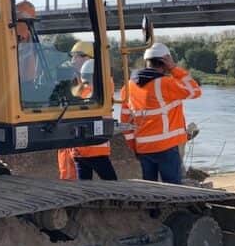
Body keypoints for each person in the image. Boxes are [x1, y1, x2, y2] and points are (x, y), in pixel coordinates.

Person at [120, 42, 201, 184]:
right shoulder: (166, 83)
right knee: (173, 188)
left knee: (151, 189)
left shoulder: (128, 87)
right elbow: (195, 91)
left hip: (143, 148)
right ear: (165, 61)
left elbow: (126, 123)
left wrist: (135, 147)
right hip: (167, 147)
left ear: (147, 61)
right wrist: (174, 68)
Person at [70, 59, 117, 180]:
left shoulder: (78, 93)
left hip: (79, 151)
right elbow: (110, 84)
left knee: (84, 187)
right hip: (95, 149)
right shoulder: (99, 95)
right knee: (113, 184)